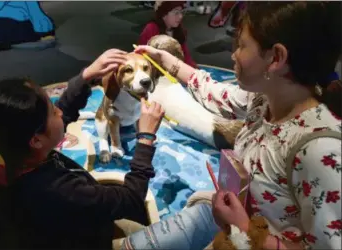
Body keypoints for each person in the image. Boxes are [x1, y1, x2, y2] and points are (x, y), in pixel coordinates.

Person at [135, 2, 341, 249]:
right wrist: (168, 60)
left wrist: (245, 229)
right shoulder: (264, 98)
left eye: (241, 45)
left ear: (276, 57)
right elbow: (213, 92)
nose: (234, 54)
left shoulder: (318, 151)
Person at [0, 49, 165, 249]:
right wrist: (146, 139)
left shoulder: (2, 154)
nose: (60, 111)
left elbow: (56, 122)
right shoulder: (58, 190)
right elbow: (131, 199)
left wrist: (86, 76)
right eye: (53, 111)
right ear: (35, 140)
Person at [138, 1, 197, 68]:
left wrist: (195, 71)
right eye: (176, 13)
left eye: (181, 12)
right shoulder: (151, 29)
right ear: (164, 14)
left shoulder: (178, 30)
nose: (180, 16)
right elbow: (142, 56)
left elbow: (186, 57)